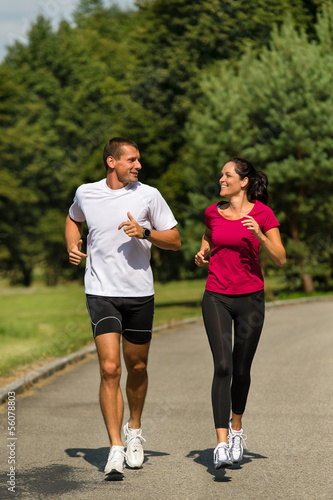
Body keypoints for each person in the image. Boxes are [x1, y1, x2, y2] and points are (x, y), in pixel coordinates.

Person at [65, 137, 181, 477]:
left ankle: (134, 430)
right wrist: (73, 243)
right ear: (111, 162)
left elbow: (174, 240)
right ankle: (115, 447)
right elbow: (73, 218)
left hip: (139, 293)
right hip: (100, 292)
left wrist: (144, 232)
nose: (138, 165)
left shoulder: (149, 195)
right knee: (111, 369)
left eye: (139, 160)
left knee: (138, 366)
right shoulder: (86, 192)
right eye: (131, 160)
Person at [195, 157, 286, 470]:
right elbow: (210, 234)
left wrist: (259, 235)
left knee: (241, 368)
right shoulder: (212, 211)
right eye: (221, 174)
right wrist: (204, 250)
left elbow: (281, 258)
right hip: (216, 296)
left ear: (244, 182)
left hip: (251, 299)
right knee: (222, 365)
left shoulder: (263, 214)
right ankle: (220, 444)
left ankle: (236, 431)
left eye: (227, 175)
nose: (221, 179)